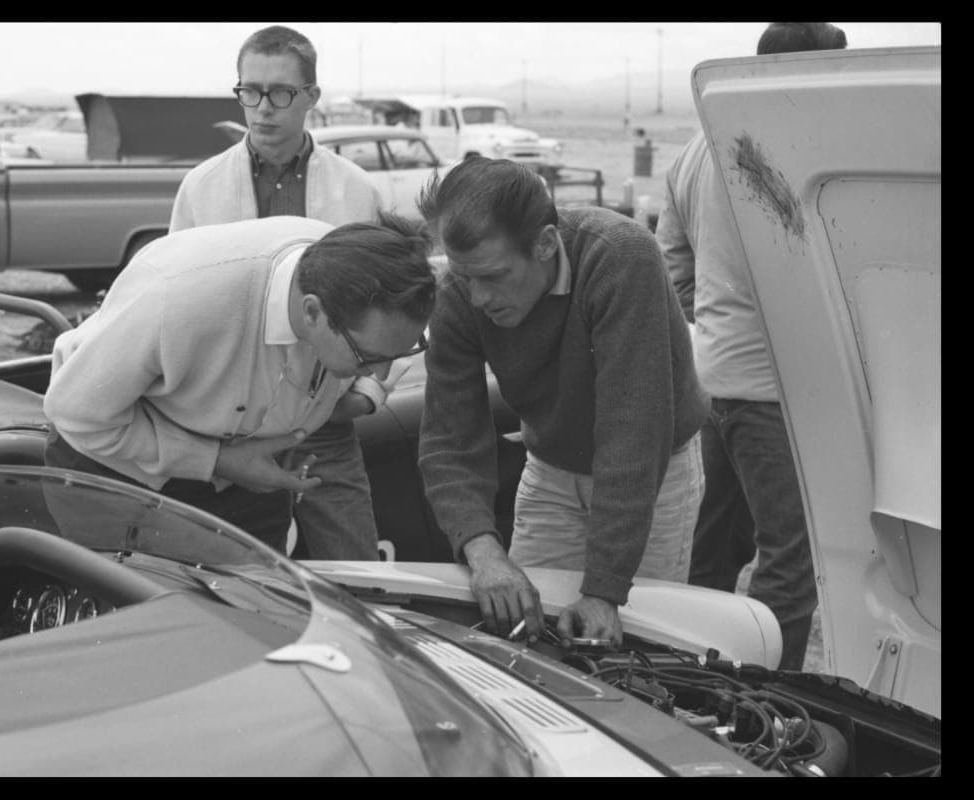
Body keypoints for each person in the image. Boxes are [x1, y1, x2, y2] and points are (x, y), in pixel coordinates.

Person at [416, 157, 708, 647]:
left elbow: (633, 432)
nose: (479, 298)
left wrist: (605, 589)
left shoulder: (620, 258)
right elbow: (449, 439)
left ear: (546, 243)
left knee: (637, 646)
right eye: (465, 277)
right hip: (551, 467)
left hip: (652, 474)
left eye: (493, 276)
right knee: (526, 627)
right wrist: (484, 554)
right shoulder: (461, 289)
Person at [42, 213, 435, 553]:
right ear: (313, 312)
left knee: (254, 622)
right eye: (368, 359)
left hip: (248, 482)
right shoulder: (178, 298)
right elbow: (76, 414)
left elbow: (381, 347)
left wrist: (367, 393)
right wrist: (216, 460)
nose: (377, 372)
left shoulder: (361, 277)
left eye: (399, 355)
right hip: (118, 477)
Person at [655, 22, 847, 670]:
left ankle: (694, 682)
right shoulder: (799, 152)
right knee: (789, 564)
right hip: (775, 395)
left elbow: (671, 263)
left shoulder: (694, 151)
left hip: (714, 382)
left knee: (715, 554)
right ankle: (776, 702)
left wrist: (714, 325)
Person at [168, 25, 399, 560]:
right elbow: (174, 303)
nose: (262, 107)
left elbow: (387, 307)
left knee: (358, 578)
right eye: (249, 91)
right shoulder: (201, 188)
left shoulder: (355, 190)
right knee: (230, 587)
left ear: (312, 98)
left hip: (321, 424)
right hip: (229, 428)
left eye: (280, 93)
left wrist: (369, 392)